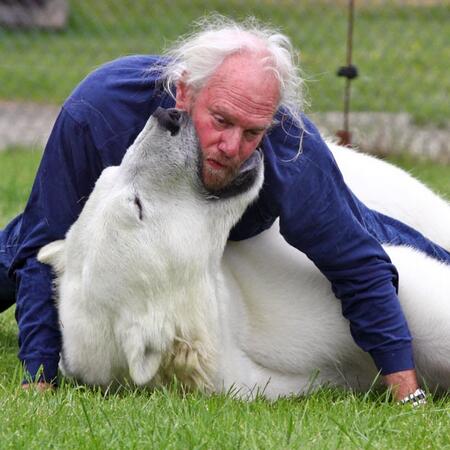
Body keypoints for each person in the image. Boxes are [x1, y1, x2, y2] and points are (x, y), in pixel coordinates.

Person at [0, 16, 448, 401]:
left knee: (365, 229)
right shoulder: (98, 114)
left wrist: (407, 392)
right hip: (124, 215)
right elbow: (42, 240)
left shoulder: (289, 150)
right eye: (221, 121)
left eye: (252, 131)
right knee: (27, 241)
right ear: (184, 93)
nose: (233, 147)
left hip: (235, 230)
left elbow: (358, 265)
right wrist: (39, 378)